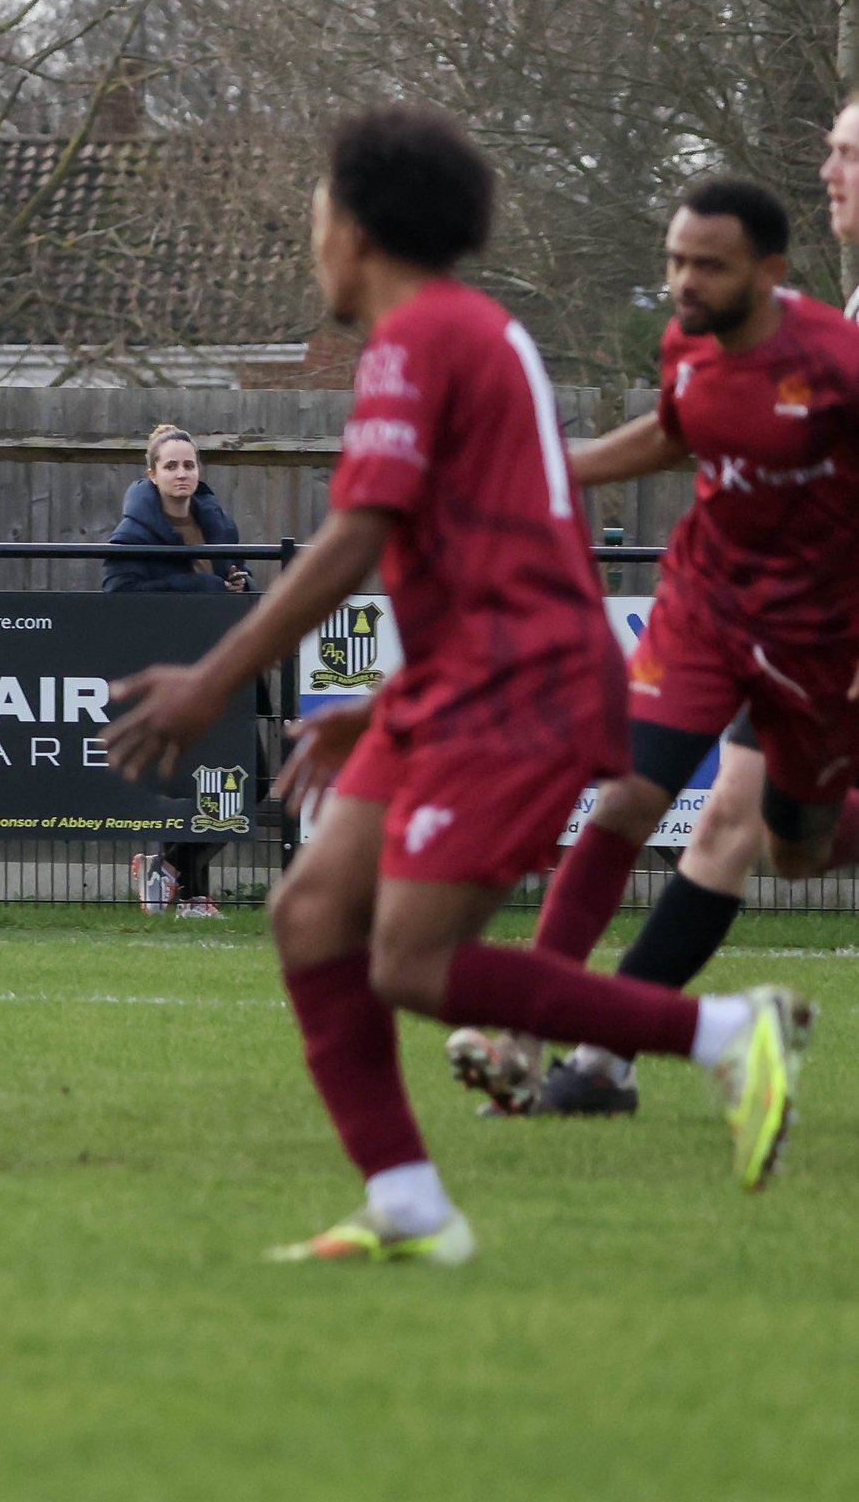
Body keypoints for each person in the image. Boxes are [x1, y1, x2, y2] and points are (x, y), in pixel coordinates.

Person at [104, 105, 810, 1266]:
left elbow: (357, 534)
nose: (311, 238)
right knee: (310, 912)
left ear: (356, 228)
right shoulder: (465, 333)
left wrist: (211, 679)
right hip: (467, 676)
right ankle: (408, 1205)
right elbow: (484, 552)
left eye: (317, 213)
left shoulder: (421, 338)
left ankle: (725, 1032)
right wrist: (384, 703)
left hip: (518, 687)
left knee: (411, 962)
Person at [456, 131, 859, 1119]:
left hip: (815, 641)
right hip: (706, 612)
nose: (683, 281)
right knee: (628, 797)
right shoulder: (691, 337)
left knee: (794, 850)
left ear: (765, 271)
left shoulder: (834, 359)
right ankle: (541, 1038)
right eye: (675, 260)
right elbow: (680, 431)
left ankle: (599, 1054)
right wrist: (548, 470)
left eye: (851, 152)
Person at [108, 423, 252, 917]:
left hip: (225, 670)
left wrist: (240, 584)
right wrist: (206, 590)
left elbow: (236, 583)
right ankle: (190, 893)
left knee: (246, 781)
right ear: (152, 474)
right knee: (193, 783)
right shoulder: (133, 534)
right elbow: (118, 596)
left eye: (189, 464)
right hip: (171, 675)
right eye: (170, 465)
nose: (181, 473)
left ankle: (168, 869)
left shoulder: (220, 526)